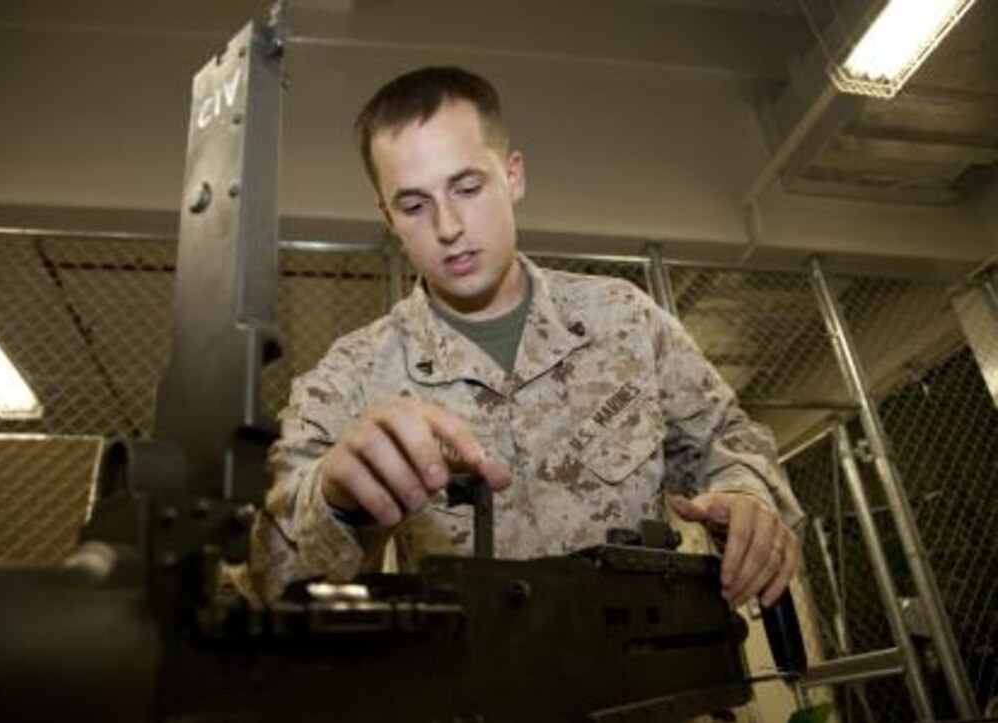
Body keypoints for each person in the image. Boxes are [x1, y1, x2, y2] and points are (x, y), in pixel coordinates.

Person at [250, 66, 803, 610]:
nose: (448, 227)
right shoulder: (352, 377)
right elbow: (269, 586)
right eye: (414, 205)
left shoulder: (622, 318)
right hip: (478, 694)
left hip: (654, 687)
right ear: (388, 218)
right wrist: (335, 502)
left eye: (467, 187)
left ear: (513, 176)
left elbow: (729, 440)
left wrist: (747, 494)